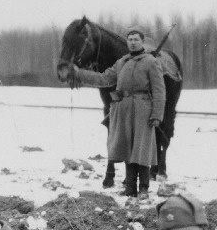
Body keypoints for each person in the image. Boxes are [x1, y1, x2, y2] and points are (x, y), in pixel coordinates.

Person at [70, 27, 165, 201]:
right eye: (130, 39)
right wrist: (80, 73)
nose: (133, 42)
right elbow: (104, 78)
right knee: (127, 148)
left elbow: (159, 90)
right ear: (127, 42)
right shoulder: (121, 62)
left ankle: (143, 188)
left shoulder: (151, 62)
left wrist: (157, 115)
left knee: (141, 148)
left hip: (144, 109)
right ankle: (130, 188)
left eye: (136, 39)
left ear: (142, 42)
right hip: (123, 110)